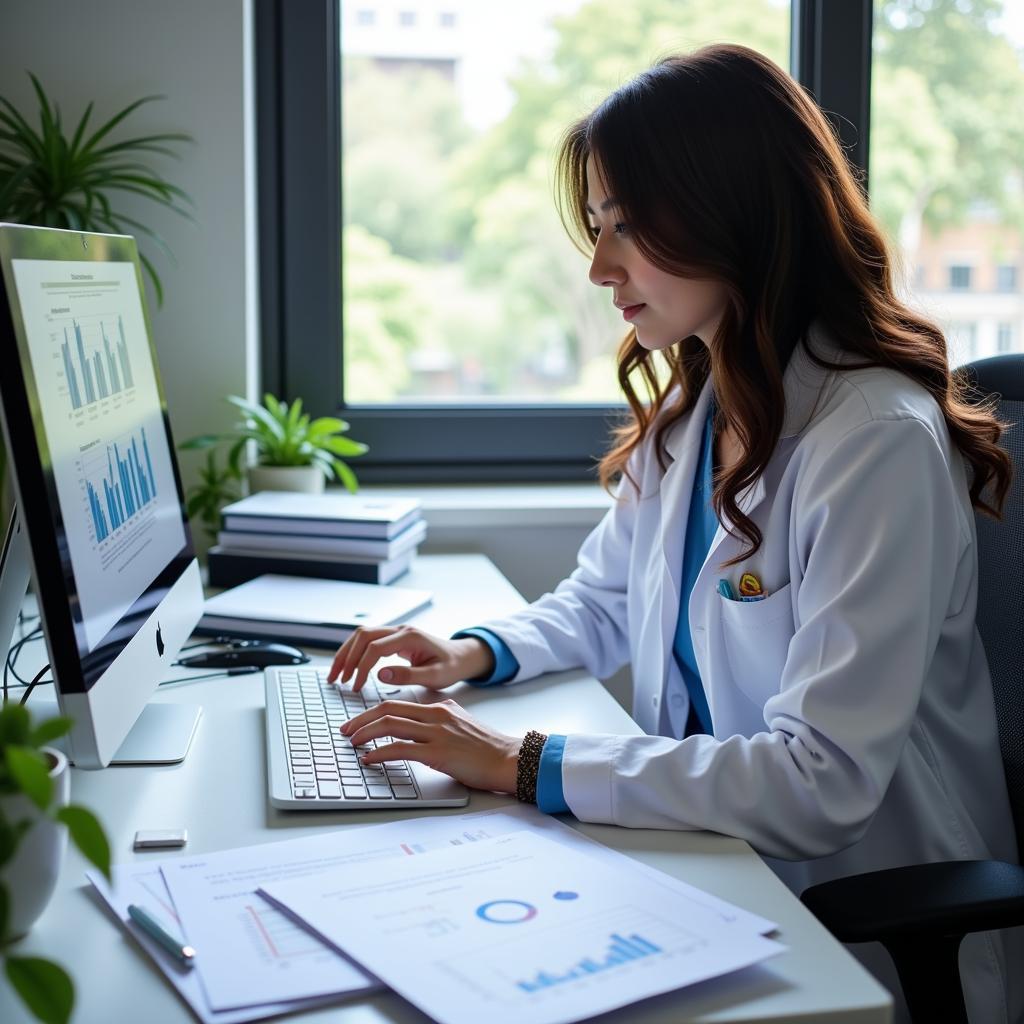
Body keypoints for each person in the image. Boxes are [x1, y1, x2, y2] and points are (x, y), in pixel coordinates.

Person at [327, 44, 1019, 1022]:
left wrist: (524, 760)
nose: (602, 265)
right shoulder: (701, 404)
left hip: (860, 916)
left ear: (732, 209)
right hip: (716, 865)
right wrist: (470, 652)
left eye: (629, 225)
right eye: (598, 226)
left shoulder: (872, 441)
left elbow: (820, 780)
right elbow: (604, 598)